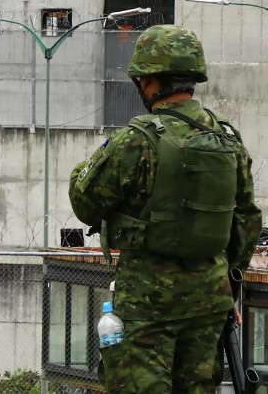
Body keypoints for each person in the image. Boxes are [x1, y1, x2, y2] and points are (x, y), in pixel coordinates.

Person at [70, 25, 261, 393]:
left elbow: (85, 203)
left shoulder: (136, 139)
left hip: (147, 306)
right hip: (208, 303)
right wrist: (227, 280)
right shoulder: (227, 138)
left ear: (151, 82)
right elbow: (248, 220)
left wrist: (84, 168)